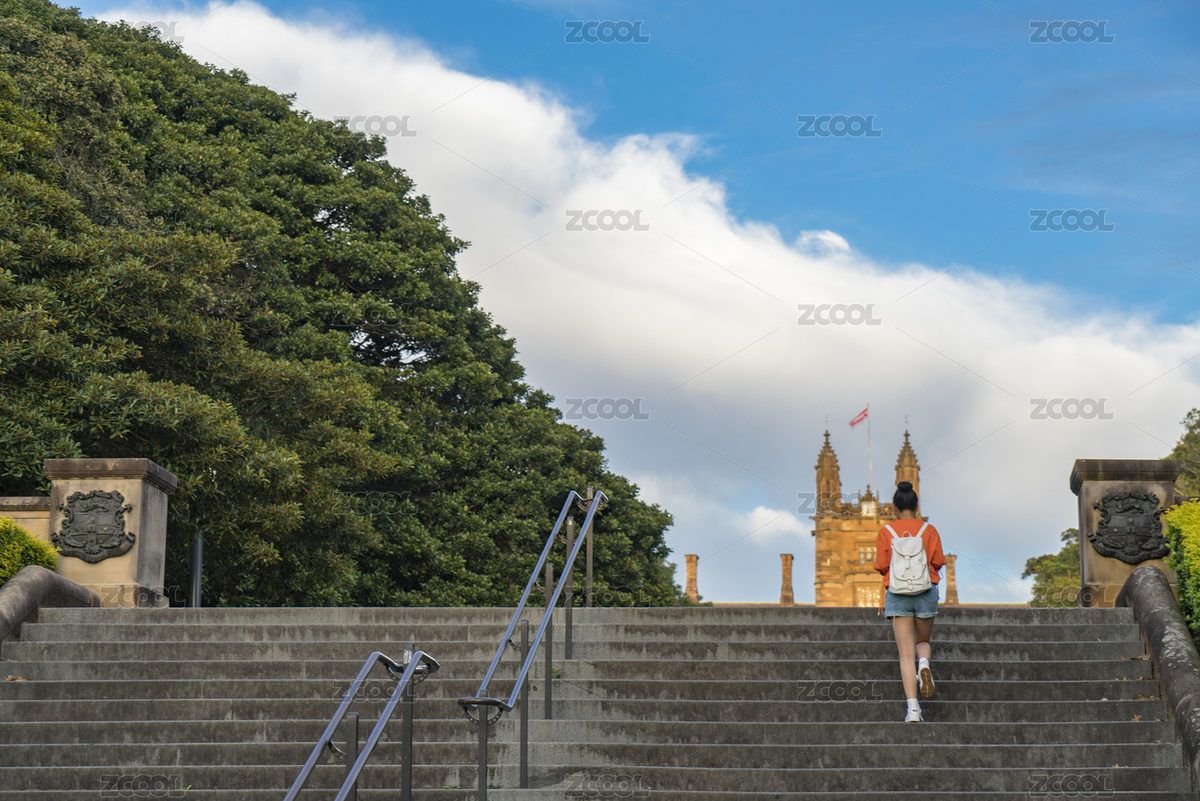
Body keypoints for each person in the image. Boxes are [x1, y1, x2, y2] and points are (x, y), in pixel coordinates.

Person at [873, 480, 945, 722]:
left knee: (905, 654)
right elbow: (936, 563)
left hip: (898, 594)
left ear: (894, 507)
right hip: (925, 592)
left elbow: (883, 567)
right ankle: (924, 663)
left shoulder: (886, 532)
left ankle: (913, 710)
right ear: (917, 505)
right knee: (922, 641)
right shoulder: (930, 530)